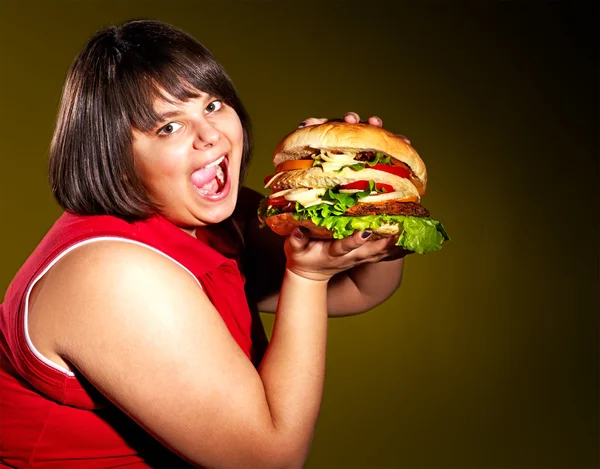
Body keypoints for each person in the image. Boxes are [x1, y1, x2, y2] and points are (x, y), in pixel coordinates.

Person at [0, 19, 410, 468]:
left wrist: (374, 199)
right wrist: (307, 274)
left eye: (212, 105)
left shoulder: (221, 218)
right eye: (168, 128)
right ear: (115, 160)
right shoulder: (114, 273)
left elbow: (361, 289)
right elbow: (269, 460)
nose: (210, 135)